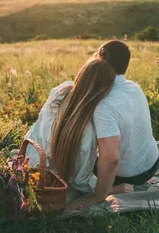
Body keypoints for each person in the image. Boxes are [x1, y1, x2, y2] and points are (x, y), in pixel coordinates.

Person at [24, 51, 133, 195]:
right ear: (105, 90)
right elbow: (80, 181)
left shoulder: (60, 90)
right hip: (48, 184)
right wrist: (112, 189)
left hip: (28, 161)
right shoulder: (87, 130)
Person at [68, 40, 159, 210]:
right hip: (153, 163)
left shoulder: (105, 105)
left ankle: (113, 188)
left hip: (131, 176)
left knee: (78, 155)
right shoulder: (134, 87)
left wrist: (97, 198)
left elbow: (111, 159)